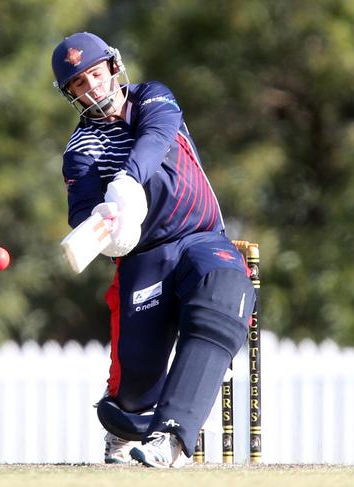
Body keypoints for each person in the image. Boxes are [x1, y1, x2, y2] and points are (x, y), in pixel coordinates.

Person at [51, 32, 255, 468]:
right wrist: (111, 230)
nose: (93, 88)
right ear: (71, 95)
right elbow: (84, 217)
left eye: (95, 74)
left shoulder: (153, 98)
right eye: (79, 85)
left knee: (224, 288)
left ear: (112, 67)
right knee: (133, 393)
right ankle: (129, 429)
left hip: (200, 235)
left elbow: (155, 140)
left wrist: (126, 180)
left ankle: (174, 436)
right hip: (145, 258)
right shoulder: (81, 150)